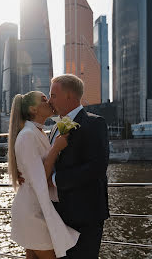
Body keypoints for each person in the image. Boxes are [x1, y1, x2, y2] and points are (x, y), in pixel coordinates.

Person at [8, 91, 80, 259]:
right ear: (33, 109)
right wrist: (56, 148)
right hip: (32, 212)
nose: (49, 102)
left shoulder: (38, 132)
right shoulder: (27, 135)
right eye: (43, 100)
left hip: (36, 208)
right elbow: (39, 178)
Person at [47, 74, 110, 259]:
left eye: (53, 95)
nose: (50, 100)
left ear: (69, 96)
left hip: (86, 216)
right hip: (58, 215)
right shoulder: (53, 128)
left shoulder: (94, 123)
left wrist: (55, 180)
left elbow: (96, 168)